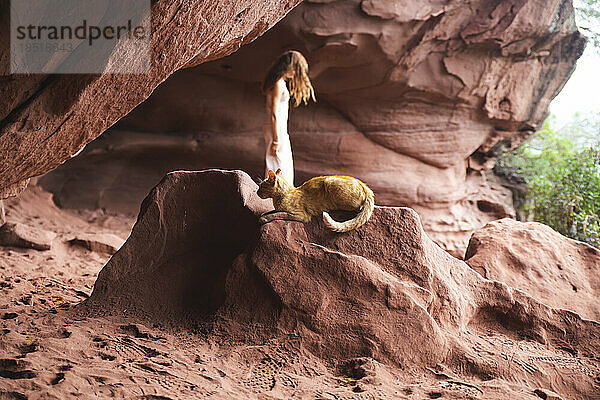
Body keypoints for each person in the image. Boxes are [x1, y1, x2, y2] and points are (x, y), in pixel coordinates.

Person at [261, 50, 315, 187]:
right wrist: (276, 140)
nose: (296, 73)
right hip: (276, 129)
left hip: (278, 128)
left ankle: (280, 196)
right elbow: (273, 112)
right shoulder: (278, 84)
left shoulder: (279, 83)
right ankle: (276, 196)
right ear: (288, 66)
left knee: (281, 164)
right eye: (295, 69)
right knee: (277, 164)